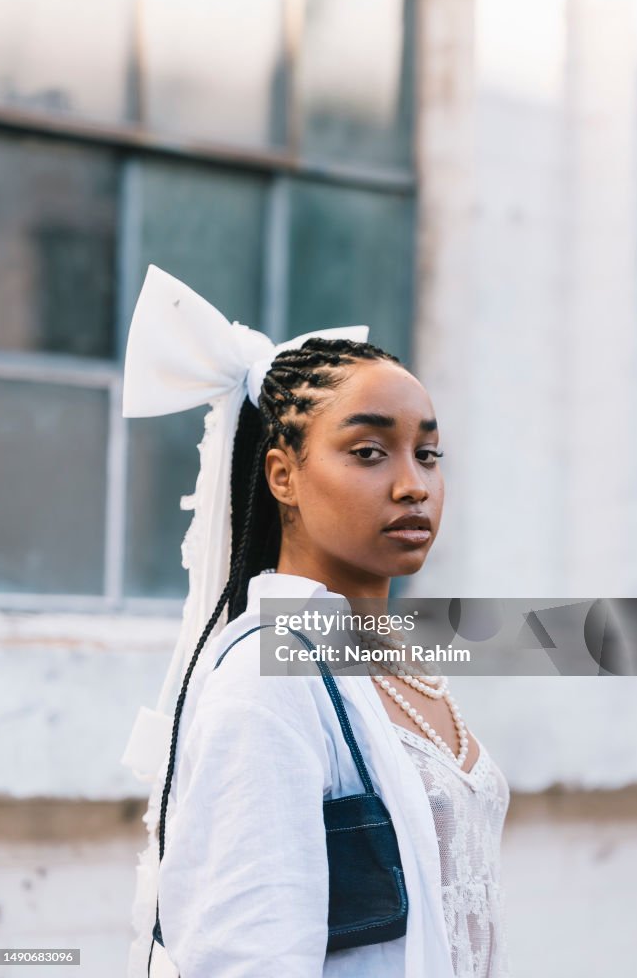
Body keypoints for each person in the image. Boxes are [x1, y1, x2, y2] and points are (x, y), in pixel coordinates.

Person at [121, 266, 512, 978]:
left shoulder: (387, 664)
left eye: (428, 454)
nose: (412, 485)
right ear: (283, 476)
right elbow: (245, 958)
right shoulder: (266, 685)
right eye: (368, 452)